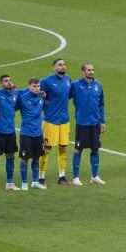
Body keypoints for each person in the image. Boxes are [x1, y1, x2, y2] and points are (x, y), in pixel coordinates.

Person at [69, 64, 106, 186]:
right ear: (83, 72)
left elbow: (101, 105)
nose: (91, 72)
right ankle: (75, 178)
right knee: (78, 149)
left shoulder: (98, 85)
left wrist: (103, 121)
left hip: (95, 123)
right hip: (82, 123)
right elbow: (63, 97)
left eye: (92, 69)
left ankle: (94, 176)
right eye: (88, 70)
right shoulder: (75, 85)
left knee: (95, 148)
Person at [40, 59, 74, 187]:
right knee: (46, 149)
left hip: (64, 120)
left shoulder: (68, 79)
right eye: (60, 65)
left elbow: (68, 95)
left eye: (64, 64)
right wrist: (45, 104)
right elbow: (37, 95)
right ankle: (41, 178)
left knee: (63, 148)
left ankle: (62, 177)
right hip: (50, 121)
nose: (63, 66)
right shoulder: (46, 81)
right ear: (54, 67)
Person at [0, 75, 21, 192]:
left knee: (11, 156)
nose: (9, 82)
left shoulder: (15, 94)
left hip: (11, 131)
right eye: (6, 81)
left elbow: (27, 92)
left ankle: (10, 183)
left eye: (10, 80)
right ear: (1, 84)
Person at [16, 78, 47, 190]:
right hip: (26, 134)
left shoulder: (41, 97)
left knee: (36, 158)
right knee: (24, 159)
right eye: (34, 86)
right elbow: (11, 108)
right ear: (29, 86)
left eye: (38, 86)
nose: (37, 88)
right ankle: (24, 184)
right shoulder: (22, 98)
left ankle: (35, 182)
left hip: (38, 133)